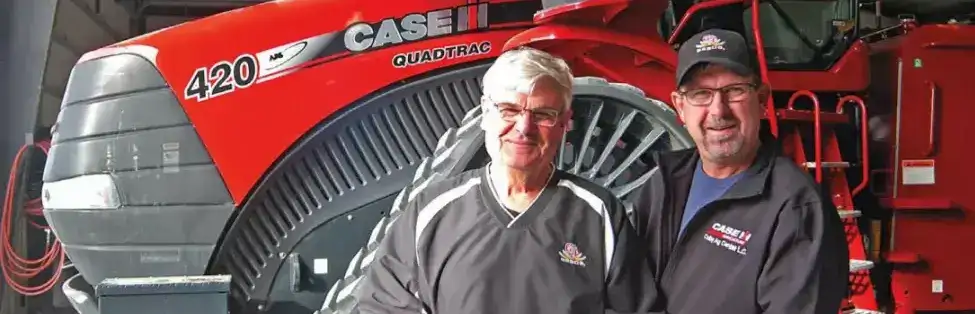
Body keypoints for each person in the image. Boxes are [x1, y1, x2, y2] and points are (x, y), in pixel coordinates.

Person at [353, 47, 664, 314]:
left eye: (543, 114)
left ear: (565, 123)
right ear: (486, 113)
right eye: (509, 110)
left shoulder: (599, 214)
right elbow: (382, 306)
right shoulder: (432, 211)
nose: (524, 128)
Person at [629, 29, 850, 313]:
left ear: (761, 100)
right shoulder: (663, 183)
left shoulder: (796, 208)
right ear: (680, 107)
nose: (718, 111)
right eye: (701, 94)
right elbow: (627, 289)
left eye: (734, 91)